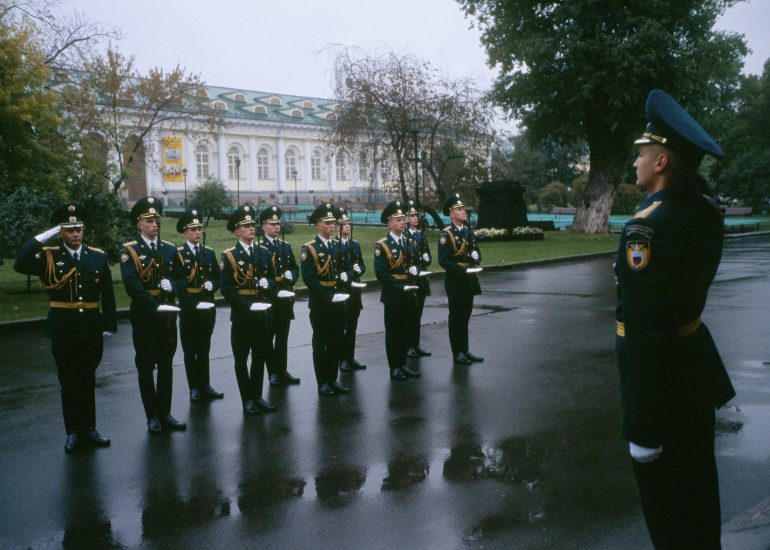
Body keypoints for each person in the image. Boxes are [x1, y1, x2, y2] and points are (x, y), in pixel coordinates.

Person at [615, 89, 735, 548]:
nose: (636, 162)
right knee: (699, 498)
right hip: (692, 374)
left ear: (662, 161)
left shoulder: (647, 228)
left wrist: (644, 428)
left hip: (660, 391)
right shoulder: (701, 211)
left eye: (642, 154)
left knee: (668, 514)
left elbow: (646, 331)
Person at [14, 203, 117, 453]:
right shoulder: (49, 255)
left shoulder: (97, 256)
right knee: (69, 382)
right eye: (69, 230)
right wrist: (44, 236)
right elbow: (20, 263)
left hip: (91, 328)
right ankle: (72, 431)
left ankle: (90, 429)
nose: (75, 234)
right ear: (61, 232)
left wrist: (109, 325)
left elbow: (108, 294)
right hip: (63, 328)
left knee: (87, 379)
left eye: (79, 229)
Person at [120, 197, 187, 433]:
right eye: (149, 221)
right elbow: (132, 285)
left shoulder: (169, 249)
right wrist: (153, 305)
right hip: (146, 316)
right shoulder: (130, 251)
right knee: (146, 366)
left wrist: (174, 287)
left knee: (166, 365)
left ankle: (165, 413)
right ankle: (152, 416)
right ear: (139, 224)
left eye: (156, 220)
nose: (154, 224)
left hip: (167, 317)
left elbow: (182, 279)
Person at [220, 204, 277, 415]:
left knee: (260, 357)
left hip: (262, 314)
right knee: (241, 359)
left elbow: (271, 279)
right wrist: (248, 305)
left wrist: (267, 284)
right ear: (237, 231)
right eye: (246, 226)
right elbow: (226, 289)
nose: (251, 228)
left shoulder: (263, 252)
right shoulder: (230, 256)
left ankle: (258, 396)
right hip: (243, 316)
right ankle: (247, 399)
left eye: (252, 225)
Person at [300, 202, 351, 396]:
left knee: (336, 342)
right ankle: (322, 382)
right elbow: (310, 279)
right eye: (327, 222)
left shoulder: (339, 247)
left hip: (339, 301)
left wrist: (346, 282)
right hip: (322, 304)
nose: (332, 226)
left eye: (333, 222)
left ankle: (332, 378)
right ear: (318, 225)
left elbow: (345, 269)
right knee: (321, 343)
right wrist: (329, 296)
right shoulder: (310, 249)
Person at [173, 209, 223, 402]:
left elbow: (217, 277)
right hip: (189, 308)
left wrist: (213, 284)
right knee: (190, 350)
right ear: (185, 233)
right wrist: (192, 303)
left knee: (204, 348)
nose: (197, 233)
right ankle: (194, 387)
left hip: (207, 306)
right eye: (193, 230)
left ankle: (205, 384)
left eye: (199, 229)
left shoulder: (208, 253)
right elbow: (177, 283)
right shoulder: (178, 254)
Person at [373, 201, 421, 381]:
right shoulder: (382, 245)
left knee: (404, 331)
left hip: (408, 292)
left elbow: (412, 263)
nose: (403, 222)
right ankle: (394, 367)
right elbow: (381, 273)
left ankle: (403, 364)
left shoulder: (408, 242)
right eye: (398, 220)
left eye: (403, 219)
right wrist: (400, 286)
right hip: (393, 294)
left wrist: (414, 271)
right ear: (390, 223)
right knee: (393, 332)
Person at [437, 193, 483, 365]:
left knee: (466, 316)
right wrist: (462, 270)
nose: (463, 211)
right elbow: (443, 261)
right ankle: (457, 352)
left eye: (463, 208)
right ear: (451, 213)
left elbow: (476, 251)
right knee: (456, 318)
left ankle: (465, 350)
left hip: (469, 280)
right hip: (456, 281)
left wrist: (476, 257)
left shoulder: (468, 231)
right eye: (459, 209)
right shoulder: (446, 234)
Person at [258, 205, 301, 387]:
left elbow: (293, 267)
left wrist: (292, 273)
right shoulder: (259, 247)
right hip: (269, 299)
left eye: (278, 223)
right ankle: (273, 372)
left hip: (284, 299)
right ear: (263, 227)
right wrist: (275, 284)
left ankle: (282, 370)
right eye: (272, 224)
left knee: (283, 338)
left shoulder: (285, 246)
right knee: (268, 338)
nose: (276, 227)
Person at [334, 206, 367, 372]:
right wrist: (345, 274)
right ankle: (341, 359)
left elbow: (361, 264)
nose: (347, 226)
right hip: (341, 290)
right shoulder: (334, 245)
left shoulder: (355, 244)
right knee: (341, 326)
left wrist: (358, 270)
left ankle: (350, 356)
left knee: (353, 325)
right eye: (343, 224)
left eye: (348, 223)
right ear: (336, 227)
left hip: (355, 290)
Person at [405, 200, 432, 358]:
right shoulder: (405, 235)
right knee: (411, 314)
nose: (415, 218)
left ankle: (416, 344)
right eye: (412, 215)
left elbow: (427, 255)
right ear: (406, 218)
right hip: (411, 279)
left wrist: (427, 257)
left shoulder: (420, 234)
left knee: (419, 313)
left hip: (422, 277)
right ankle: (409, 345)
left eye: (416, 215)